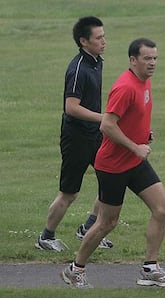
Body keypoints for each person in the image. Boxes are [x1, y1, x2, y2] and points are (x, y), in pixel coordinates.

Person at [60, 38, 165, 288]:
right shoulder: (126, 87)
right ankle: (75, 269)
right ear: (133, 60)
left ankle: (150, 268)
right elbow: (107, 125)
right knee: (107, 223)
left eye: (155, 58)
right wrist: (135, 146)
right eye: (147, 58)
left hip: (133, 161)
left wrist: (142, 136)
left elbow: (131, 119)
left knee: (163, 208)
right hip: (113, 165)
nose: (153, 63)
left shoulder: (143, 82)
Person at [35, 16, 113, 252]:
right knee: (69, 192)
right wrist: (103, 118)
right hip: (76, 137)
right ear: (83, 41)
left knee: (110, 182)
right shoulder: (78, 68)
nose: (104, 41)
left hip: (95, 133)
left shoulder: (97, 61)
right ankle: (46, 237)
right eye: (98, 38)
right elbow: (71, 107)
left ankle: (88, 229)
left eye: (103, 36)